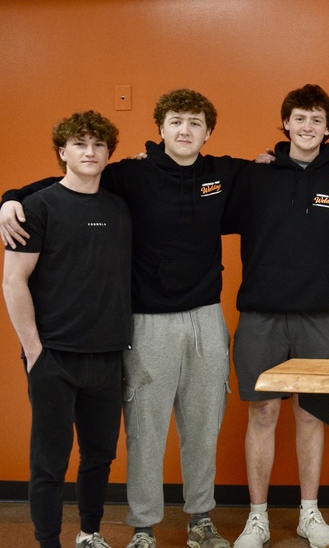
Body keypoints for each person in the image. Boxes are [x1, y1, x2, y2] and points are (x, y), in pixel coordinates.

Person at [1, 90, 244, 548]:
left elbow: (278, 177)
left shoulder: (224, 173)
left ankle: (200, 520)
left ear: (208, 132)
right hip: (146, 323)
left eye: (195, 123)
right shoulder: (130, 176)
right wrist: (9, 198)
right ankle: (143, 527)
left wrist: (303, 158)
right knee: (144, 433)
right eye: (175, 121)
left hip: (201, 319)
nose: (185, 130)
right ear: (160, 128)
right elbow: (68, 183)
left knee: (201, 427)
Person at [225, 84, 329, 548]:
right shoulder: (255, 176)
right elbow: (199, 195)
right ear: (286, 123)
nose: (307, 127)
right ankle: (257, 519)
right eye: (299, 118)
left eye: (317, 120)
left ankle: (309, 513)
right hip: (260, 318)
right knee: (263, 413)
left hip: (321, 321)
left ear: (327, 130)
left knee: (310, 415)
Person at [2, 111, 132, 548]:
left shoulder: (119, 207)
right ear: (63, 151)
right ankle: (48, 542)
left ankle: (90, 534)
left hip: (107, 355)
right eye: (79, 144)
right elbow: (12, 281)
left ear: (108, 153)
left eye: (98, 145)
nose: (89, 152)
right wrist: (34, 351)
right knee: (49, 462)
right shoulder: (36, 208)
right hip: (53, 356)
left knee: (99, 457)